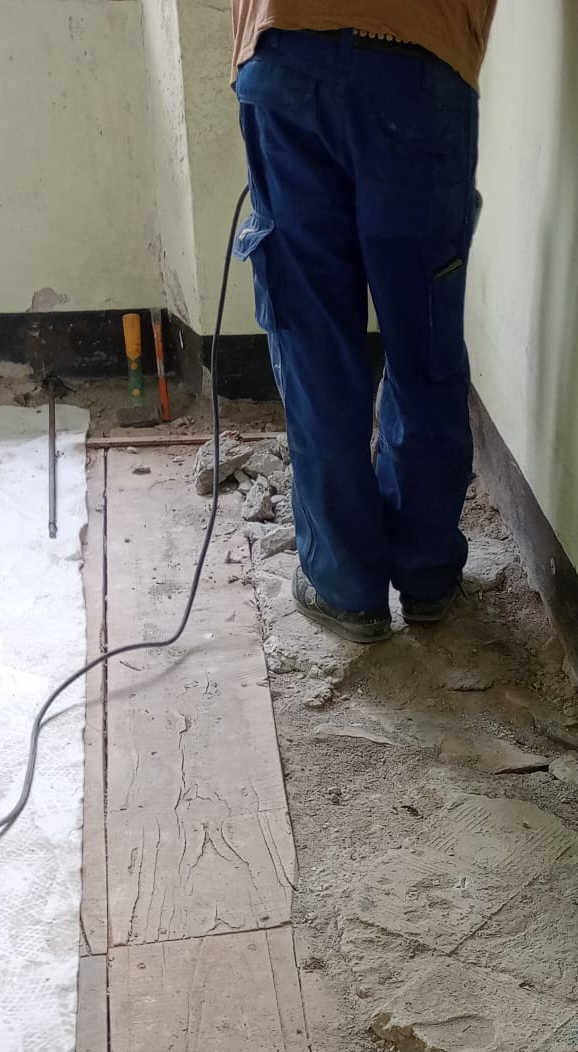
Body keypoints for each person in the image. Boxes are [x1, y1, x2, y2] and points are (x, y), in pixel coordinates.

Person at [231, 3, 498, 643]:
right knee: (424, 337)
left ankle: (345, 586)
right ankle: (426, 574)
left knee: (314, 343)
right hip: (422, 58)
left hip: (290, 46)